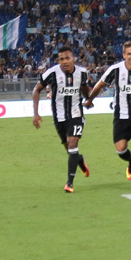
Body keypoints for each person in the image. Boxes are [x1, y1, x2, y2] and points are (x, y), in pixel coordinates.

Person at [84, 41, 131, 188]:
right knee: (121, 150)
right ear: (124, 55)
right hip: (121, 117)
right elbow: (100, 85)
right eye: (129, 54)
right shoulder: (115, 70)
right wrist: (89, 100)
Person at [32, 46, 91, 193]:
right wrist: (36, 114)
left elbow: (84, 88)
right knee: (70, 150)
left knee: (73, 143)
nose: (64, 61)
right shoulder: (52, 73)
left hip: (76, 115)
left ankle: (69, 183)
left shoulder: (82, 73)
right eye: (61, 59)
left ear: (73, 59)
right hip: (59, 118)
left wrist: (88, 98)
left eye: (67, 58)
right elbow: (36, 90)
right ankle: (80, 161)